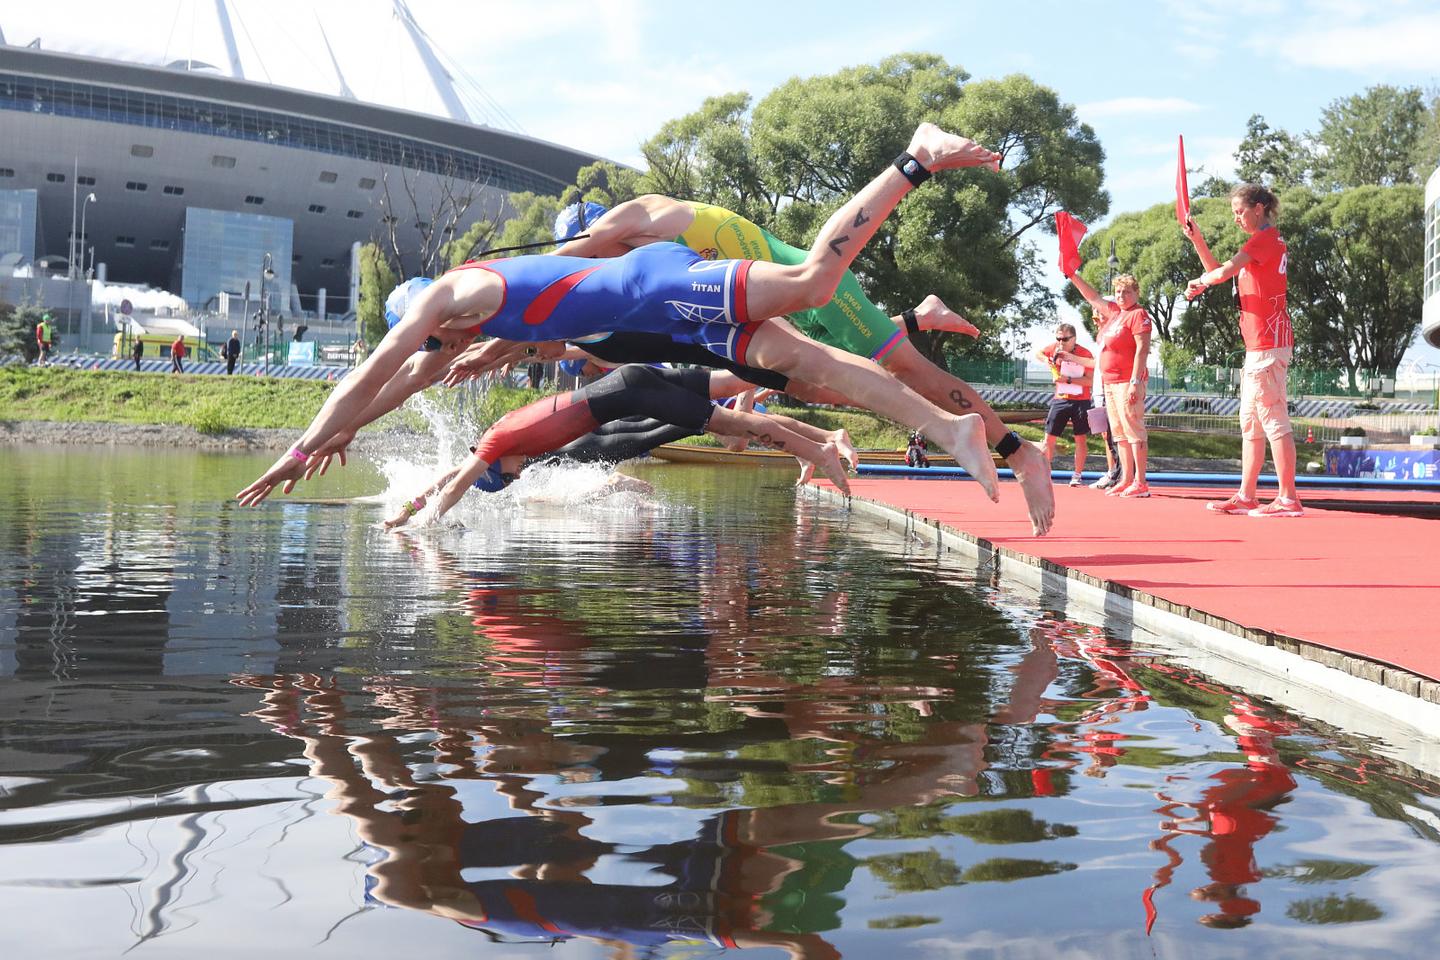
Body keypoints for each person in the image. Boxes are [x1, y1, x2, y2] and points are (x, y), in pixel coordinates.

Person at [238, 123, 1020, 525]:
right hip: (673, 323)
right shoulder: (470, 323)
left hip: (664, 285)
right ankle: (948, 432)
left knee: (816, 283)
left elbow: (371, 372)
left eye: (437, 342)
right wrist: (337, 436)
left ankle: (914, 157)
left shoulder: (446, 297)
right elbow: (398, 387)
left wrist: (305, 441)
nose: (443, 353)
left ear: (423, 316)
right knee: (815, 368)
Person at [548, 194, 1054, 536]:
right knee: (813, 384)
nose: (596, 270)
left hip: (811, 292)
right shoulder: (638, 259)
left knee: (907, 372)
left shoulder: (639, 222)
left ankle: (1017, 451)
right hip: (784, 305)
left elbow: (569, 264)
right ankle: (918, 318)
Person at [383, 364, 858, 529]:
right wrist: (406, 509)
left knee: (733, 425)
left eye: (506, 476)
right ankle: (833, 403)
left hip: (629, 392)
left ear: (493, 466)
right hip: (629, 383)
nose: (517, 476)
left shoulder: (493, 444)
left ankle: (817, 451)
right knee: (748, 377)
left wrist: (424, 527)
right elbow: (443, 479)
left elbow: (452, 490)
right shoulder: (493, 447)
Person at [1184, 185, 1302, 518]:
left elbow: (1220, 274)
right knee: (1251, 421)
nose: (1237, 218)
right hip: (1258, 344)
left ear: (1260, 208)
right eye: (1234, 212)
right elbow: (1220, 272)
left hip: (1268, 343)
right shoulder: (1259, 245)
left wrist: (1202, 281)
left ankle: (1288, 499)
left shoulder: (1264, 241)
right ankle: (1247, 495)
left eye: (1240, 211)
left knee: (1273, 418)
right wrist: (1198, 242)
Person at [1062, 272, 1151, 497]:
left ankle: (1140, 481)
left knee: (1133, 429)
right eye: (1119, 291)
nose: (1121, 295)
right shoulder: (1114, 314)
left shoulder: (1138, 315)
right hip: (1109, 383)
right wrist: (1073, 275)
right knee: (1119, 433)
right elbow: (1091, 297)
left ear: (1136, 293)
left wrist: (1134, 381)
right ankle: (1126, 478)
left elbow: (1142, 349)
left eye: (1127, 292)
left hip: (1126, 381)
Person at [1034, 322, 1094, 486]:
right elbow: (1038, 353)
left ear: (1074, 339)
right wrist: (1047, 360)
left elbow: (1090, 381)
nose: (1061, 342)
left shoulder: (1085, 354)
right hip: (1060, 399)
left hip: (1081, 401)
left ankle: (1077, 475)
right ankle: (1046, 474)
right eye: (1058, 338)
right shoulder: (1055, 349)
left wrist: (1067, 379)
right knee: (1049, 438)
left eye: (1065, 339)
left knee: (1080, 438)